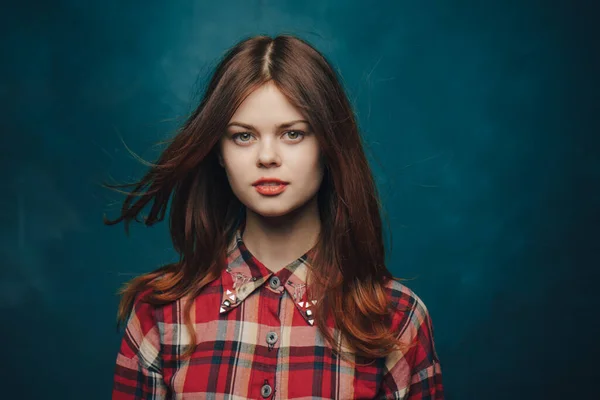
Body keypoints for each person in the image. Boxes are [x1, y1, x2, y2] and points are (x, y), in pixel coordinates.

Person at [106, 34, 444, 399]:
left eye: (293, 134)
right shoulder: (160, 313)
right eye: (243, 136)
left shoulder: (396, 318)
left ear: (328, 147)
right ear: (218, 151)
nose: (267, 156)